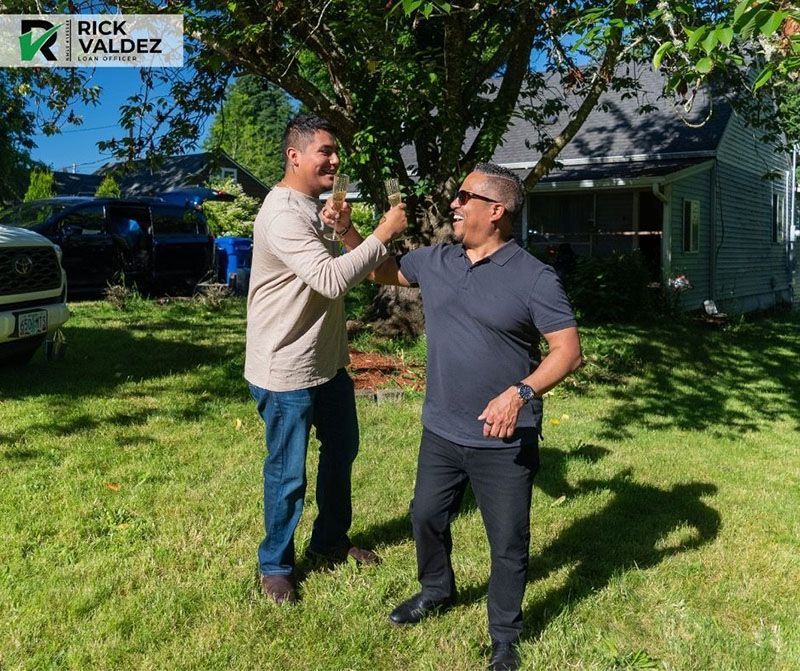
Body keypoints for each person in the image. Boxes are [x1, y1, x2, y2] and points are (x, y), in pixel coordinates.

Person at [371, 163, 582, 671]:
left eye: (466, 197)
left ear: (497, 211)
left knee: (507, 541)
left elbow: (568, 351)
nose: (454, 205)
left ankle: (505, 637)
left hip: (503, 437)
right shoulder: (439, 260)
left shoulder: (534, 277)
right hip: (442, 429)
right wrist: (350, 231)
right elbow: (381, 270)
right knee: (424, 515)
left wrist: (520, 393)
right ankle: (436, 589)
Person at [245, 114, 407, 604]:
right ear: (294, 155)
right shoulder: (280, 213)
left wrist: (349, 230)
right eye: (325, 151)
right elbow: (332, 280)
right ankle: (275, 565)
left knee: (342, 451)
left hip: (327, 363)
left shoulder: (312, 209)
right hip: (284, 368)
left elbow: (341, 266)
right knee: (287, 471)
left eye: (336, 152)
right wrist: (384, 232)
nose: (335, 161)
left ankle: (331, 542)